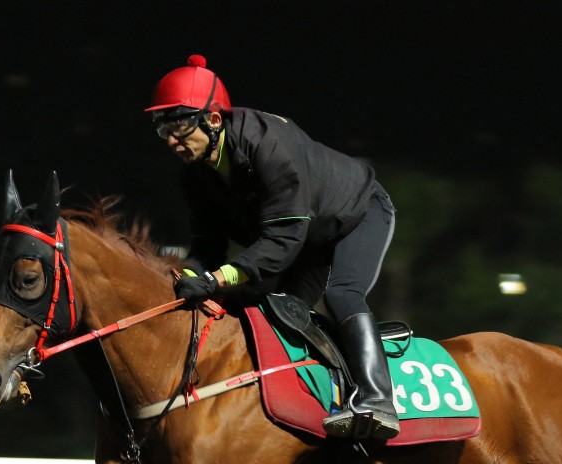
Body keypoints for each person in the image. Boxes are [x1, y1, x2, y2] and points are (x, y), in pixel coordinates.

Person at [147, 54, 400, 441]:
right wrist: (188, 275)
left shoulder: (269, 148)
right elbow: (208, 243)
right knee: (279, 314)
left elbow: (281, 243)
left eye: (180, 126)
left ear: (214, 120)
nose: (170, 140)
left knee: (342, 294)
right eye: (162, 127)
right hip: (305, 234)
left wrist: (216, 279)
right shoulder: (196, 174)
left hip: (358, 215)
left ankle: (378, 400)